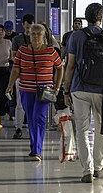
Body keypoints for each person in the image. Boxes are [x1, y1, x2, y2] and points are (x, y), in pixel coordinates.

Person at [63, 2, 103, 183]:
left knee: (81, 130)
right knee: (101, 128)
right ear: (101, 18)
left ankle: (86, 171)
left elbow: (70, 65)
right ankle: (98, 167)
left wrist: (66, 90)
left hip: (79, 88)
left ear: (86, 18)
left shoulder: (76, 36)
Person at [6, 23, 62, 163]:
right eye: (33, 34)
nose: (36, 37)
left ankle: (37, 150)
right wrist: (10, 85)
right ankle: (34, 147)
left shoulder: (51, 51)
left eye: (39, 34)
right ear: (29, 35)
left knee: (39, 117)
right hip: (26, 89)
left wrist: (57, 86)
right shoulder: (22, 51)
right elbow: (16, 69)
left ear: (44, 36)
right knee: (31, 118)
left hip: (45, 91)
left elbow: (60, 67)